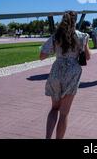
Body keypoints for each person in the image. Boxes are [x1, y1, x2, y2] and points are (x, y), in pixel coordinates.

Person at [40, 11, 90, 139]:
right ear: (76, 21)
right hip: (72, 72)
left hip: (57, 71)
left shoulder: (56, 36)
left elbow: (42, 56)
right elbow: (88, 57)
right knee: (64, 113)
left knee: (54, 108)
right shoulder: (82, 36)